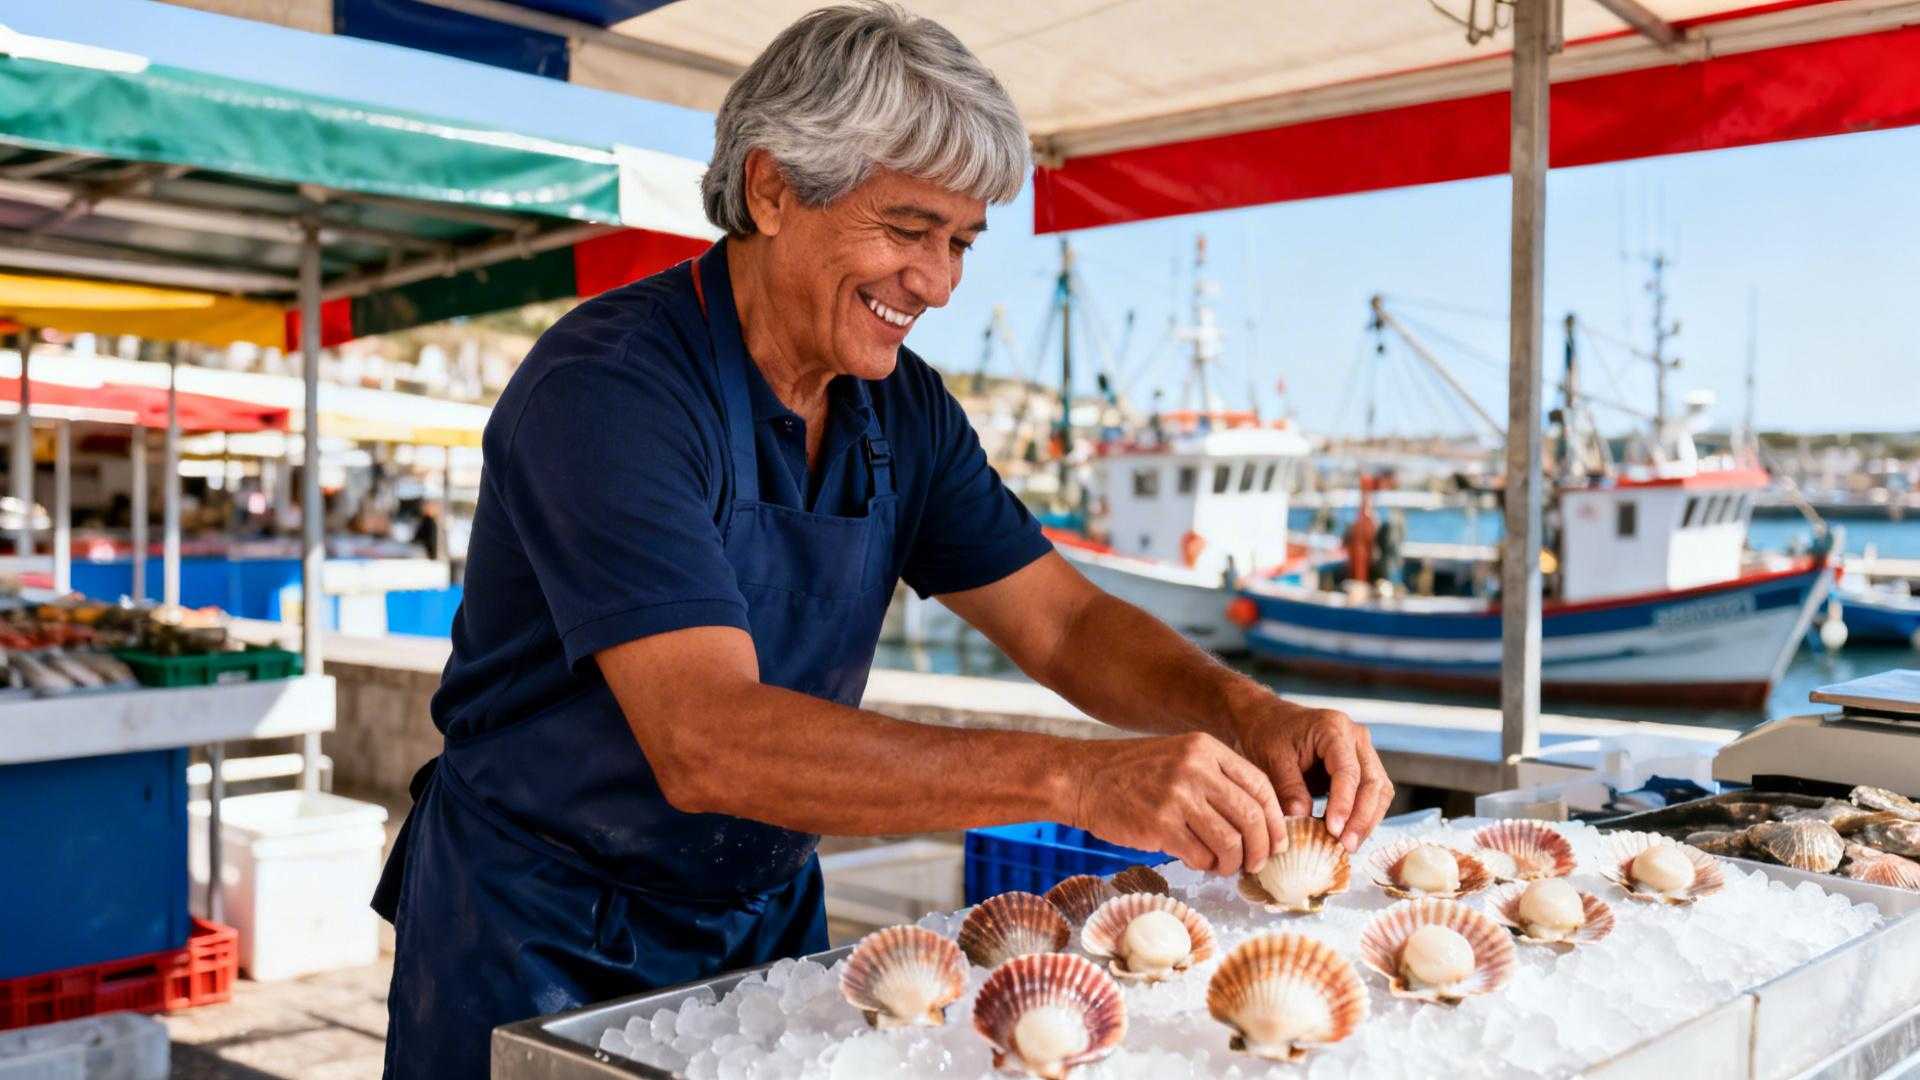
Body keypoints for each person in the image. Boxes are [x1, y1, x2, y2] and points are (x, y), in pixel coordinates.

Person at [372, 6, 1392, 1076]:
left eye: (960, 242)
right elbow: (706, 737)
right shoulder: (611, 389)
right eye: (908, 230)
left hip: (760, 924)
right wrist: (1077, 781)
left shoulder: (900, 410)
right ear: (771, 189)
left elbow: (1065, 622)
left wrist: (1253, 714)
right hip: (537, 936)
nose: (941, 283)